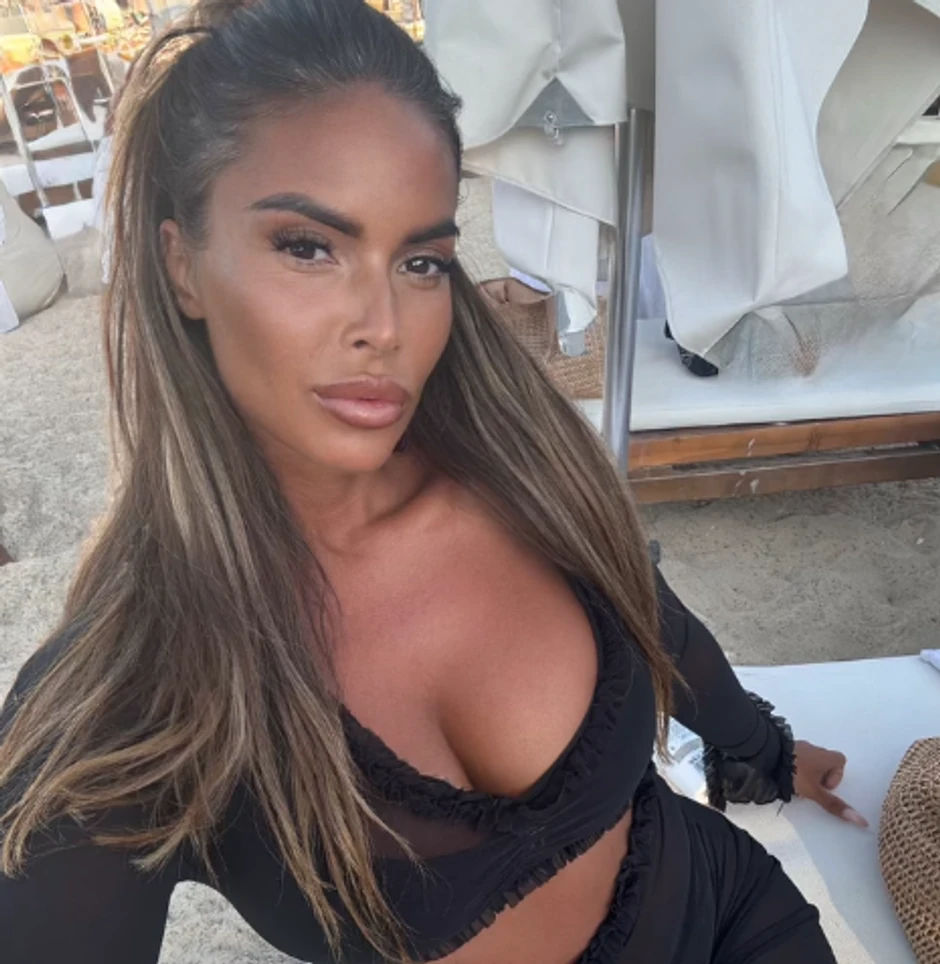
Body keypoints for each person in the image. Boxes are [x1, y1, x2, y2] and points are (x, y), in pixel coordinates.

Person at [0, 1, 865, 961]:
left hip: (734, 920)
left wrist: (763, 753)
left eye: (420, 262)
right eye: (308, 246)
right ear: (181, 266)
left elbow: (654, 618)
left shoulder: (529, 479)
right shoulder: (127, 698)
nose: (384, 326)